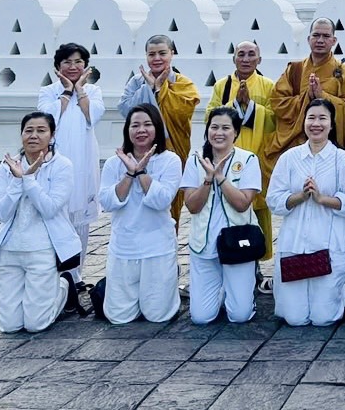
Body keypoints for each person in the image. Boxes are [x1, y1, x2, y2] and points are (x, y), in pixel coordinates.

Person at [269, 98, 345, 326]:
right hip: (294, 245)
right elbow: (273, 199)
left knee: (324, 319)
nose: (316, 124)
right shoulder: (290, 158)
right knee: (295, 319)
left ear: (332, 124)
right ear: (304, 121)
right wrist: (300, 197)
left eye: (323, 118)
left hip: (327, 246)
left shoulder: (342, 160)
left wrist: (323, 199)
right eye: (311, 118)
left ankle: (341, 292)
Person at [0, 112, 80, 333]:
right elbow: (1, 213)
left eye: (41, 130)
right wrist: (16, 180)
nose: (34, 135)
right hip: (9, 250)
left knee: (35, 324)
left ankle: (64, 287)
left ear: (52, 136)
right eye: (28, 130)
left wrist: (28, 180)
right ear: (21, 134)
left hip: (43, 249)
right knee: (9, 326)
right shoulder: (6, 167)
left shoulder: (62, 166)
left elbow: (49, 208)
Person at [97, 104, 182, 323]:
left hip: (158, 246)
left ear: (157, 129)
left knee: (158, 315)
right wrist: (129, 173)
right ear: (127, 130)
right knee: (118, 317)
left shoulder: (170, 160)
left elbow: (162, 200)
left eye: (147, 125)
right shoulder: (114, 163)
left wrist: (142, 171)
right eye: (135, 125)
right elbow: (108, 202)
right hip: (124, 245)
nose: (141, 130)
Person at [180, 106, 261, 324]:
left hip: (238, 244)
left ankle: (240, 295)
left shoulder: (248, 160)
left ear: (236, 132)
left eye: (226, 128)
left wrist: (221, 178)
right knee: (201, 318)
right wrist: (208, 179)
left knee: (240, 316)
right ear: (207, 131)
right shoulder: (196, 160)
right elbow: (192, 206)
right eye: (214, 127)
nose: (219, 133)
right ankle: (222, 291)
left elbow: (243, 204)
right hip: (203, 245)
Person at [207, 40, 277, 293]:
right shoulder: (222, 85)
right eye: (241, 55)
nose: (246, 59)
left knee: (255, 213)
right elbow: (210, 117)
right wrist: (234, 106)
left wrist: (251, 107)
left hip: (256, 157)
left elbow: (274, 120)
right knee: (227, 213)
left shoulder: (268, 85)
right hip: (225, 159)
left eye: (251, 55)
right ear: (234, 59)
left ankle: (255, 267)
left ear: (259, 59)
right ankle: (225, 261)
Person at [37, 42, 103, 290]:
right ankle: (55, 276)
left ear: (86, 66)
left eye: (78, 62)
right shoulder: (48, 92)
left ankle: (76, 276)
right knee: (56, 216)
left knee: (80, 222)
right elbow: (48, 120)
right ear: (57, 67)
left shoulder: (93, 91)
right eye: (67, 62)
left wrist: (80, 91)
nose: (73, 66)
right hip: (54, 163)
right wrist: (66, 92)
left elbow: (92, 116)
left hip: (83, 162)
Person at [119, 35, 200, 227]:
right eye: (151, 54)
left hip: (172, 150)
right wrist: (149, 88)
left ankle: (169, 245)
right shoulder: (136, 82)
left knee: (170, 200)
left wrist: (161, 89)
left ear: (172, 54)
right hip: (139, 150)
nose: (157, 58)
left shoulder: (182, 83)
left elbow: (183, 112)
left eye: (162, 53)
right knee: (138, 197)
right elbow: (126, 110)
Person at [267, 17, 345, 174]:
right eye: (316, 35)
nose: (320, 40)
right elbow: (277, 102)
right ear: (309, 39)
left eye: (326, 36)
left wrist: (322, 96)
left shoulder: (344, 73)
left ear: (334, 40)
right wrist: (306, 98)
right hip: (294, 142)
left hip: (329, 144)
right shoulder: (295, 70)